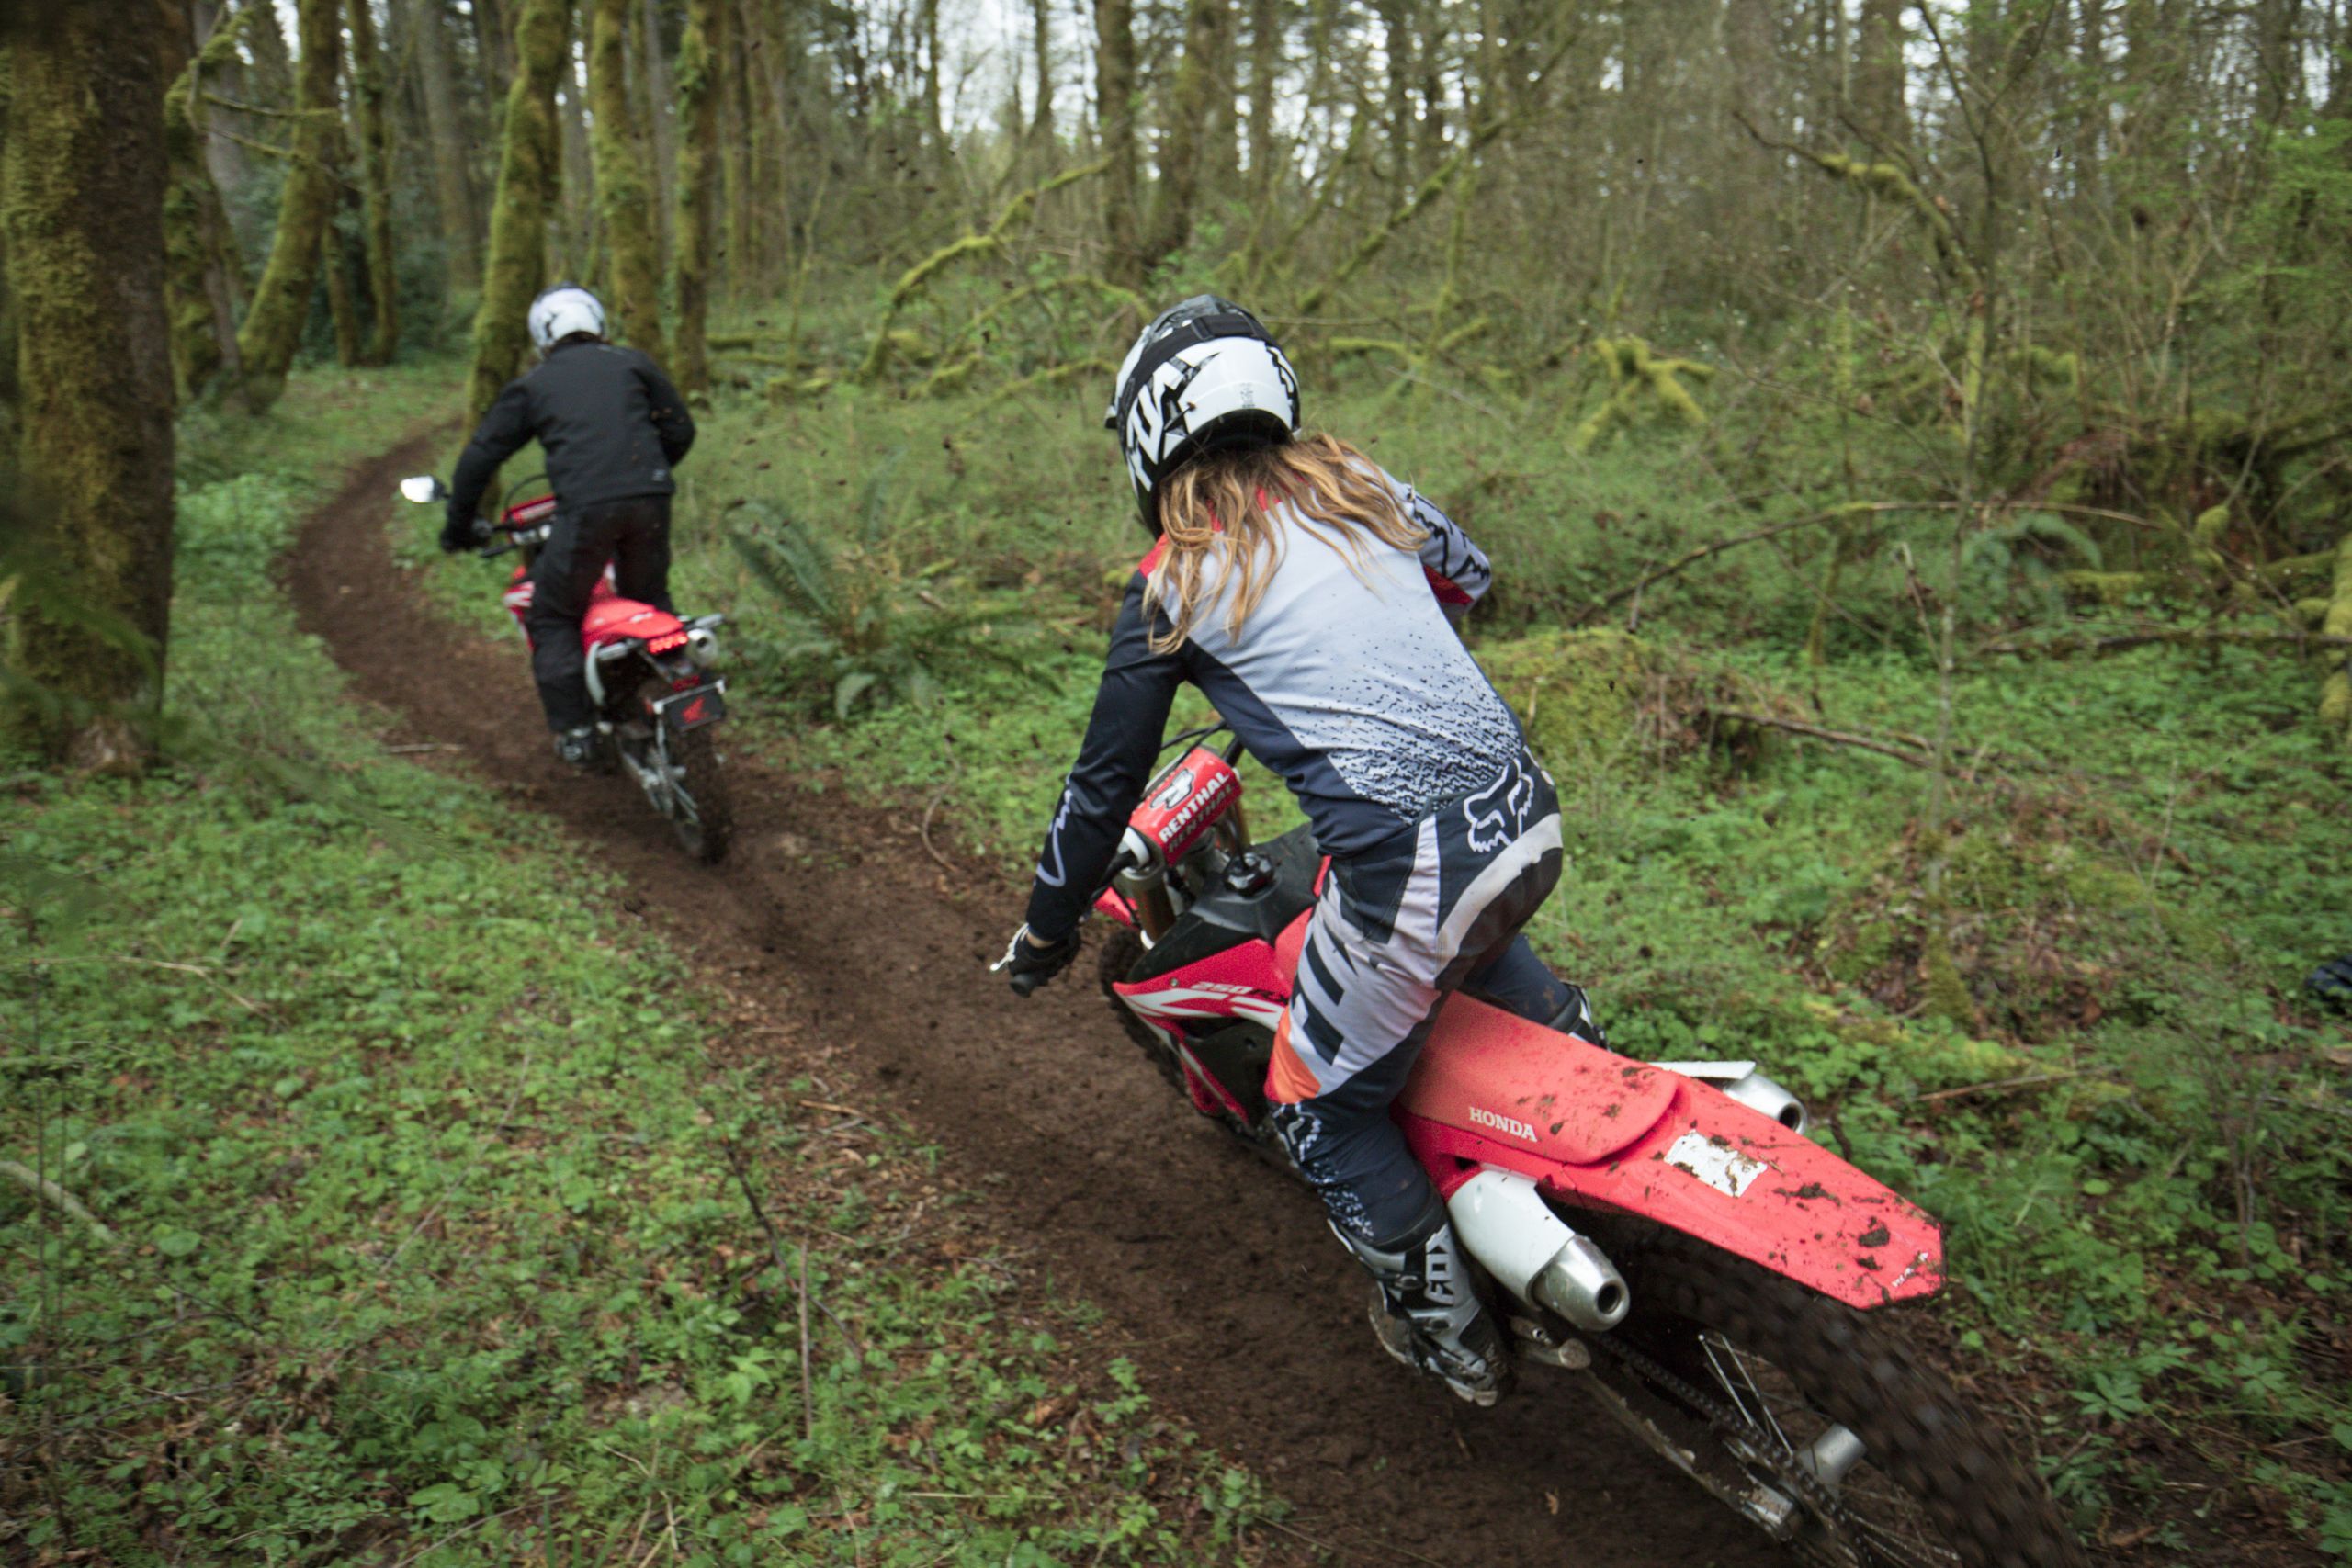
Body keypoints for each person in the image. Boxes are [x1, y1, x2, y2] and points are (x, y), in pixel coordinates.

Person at [995, 295, 1600, 1405]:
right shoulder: (1361, 483)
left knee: (1316, 1114)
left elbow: (1102, 788)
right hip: (1527, 813)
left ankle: (1457, 1345)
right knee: (1468, 955)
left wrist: (1043, 931)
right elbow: (1470, 577)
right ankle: (1588, 1127)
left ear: (1149, 435)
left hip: (1412, 877)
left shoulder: (1172, 581)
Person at [443, 284, 697, 764]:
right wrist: (643, 475)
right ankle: (660, 689)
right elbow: (680, 429)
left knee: (554, 613)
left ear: (542, 335)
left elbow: (480, 457)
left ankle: (576, 730)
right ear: (598, 323)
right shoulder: (632, 363)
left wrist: (458, 525)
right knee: (647, 600)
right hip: (651, 499)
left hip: (586, 510)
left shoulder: (534, 385)